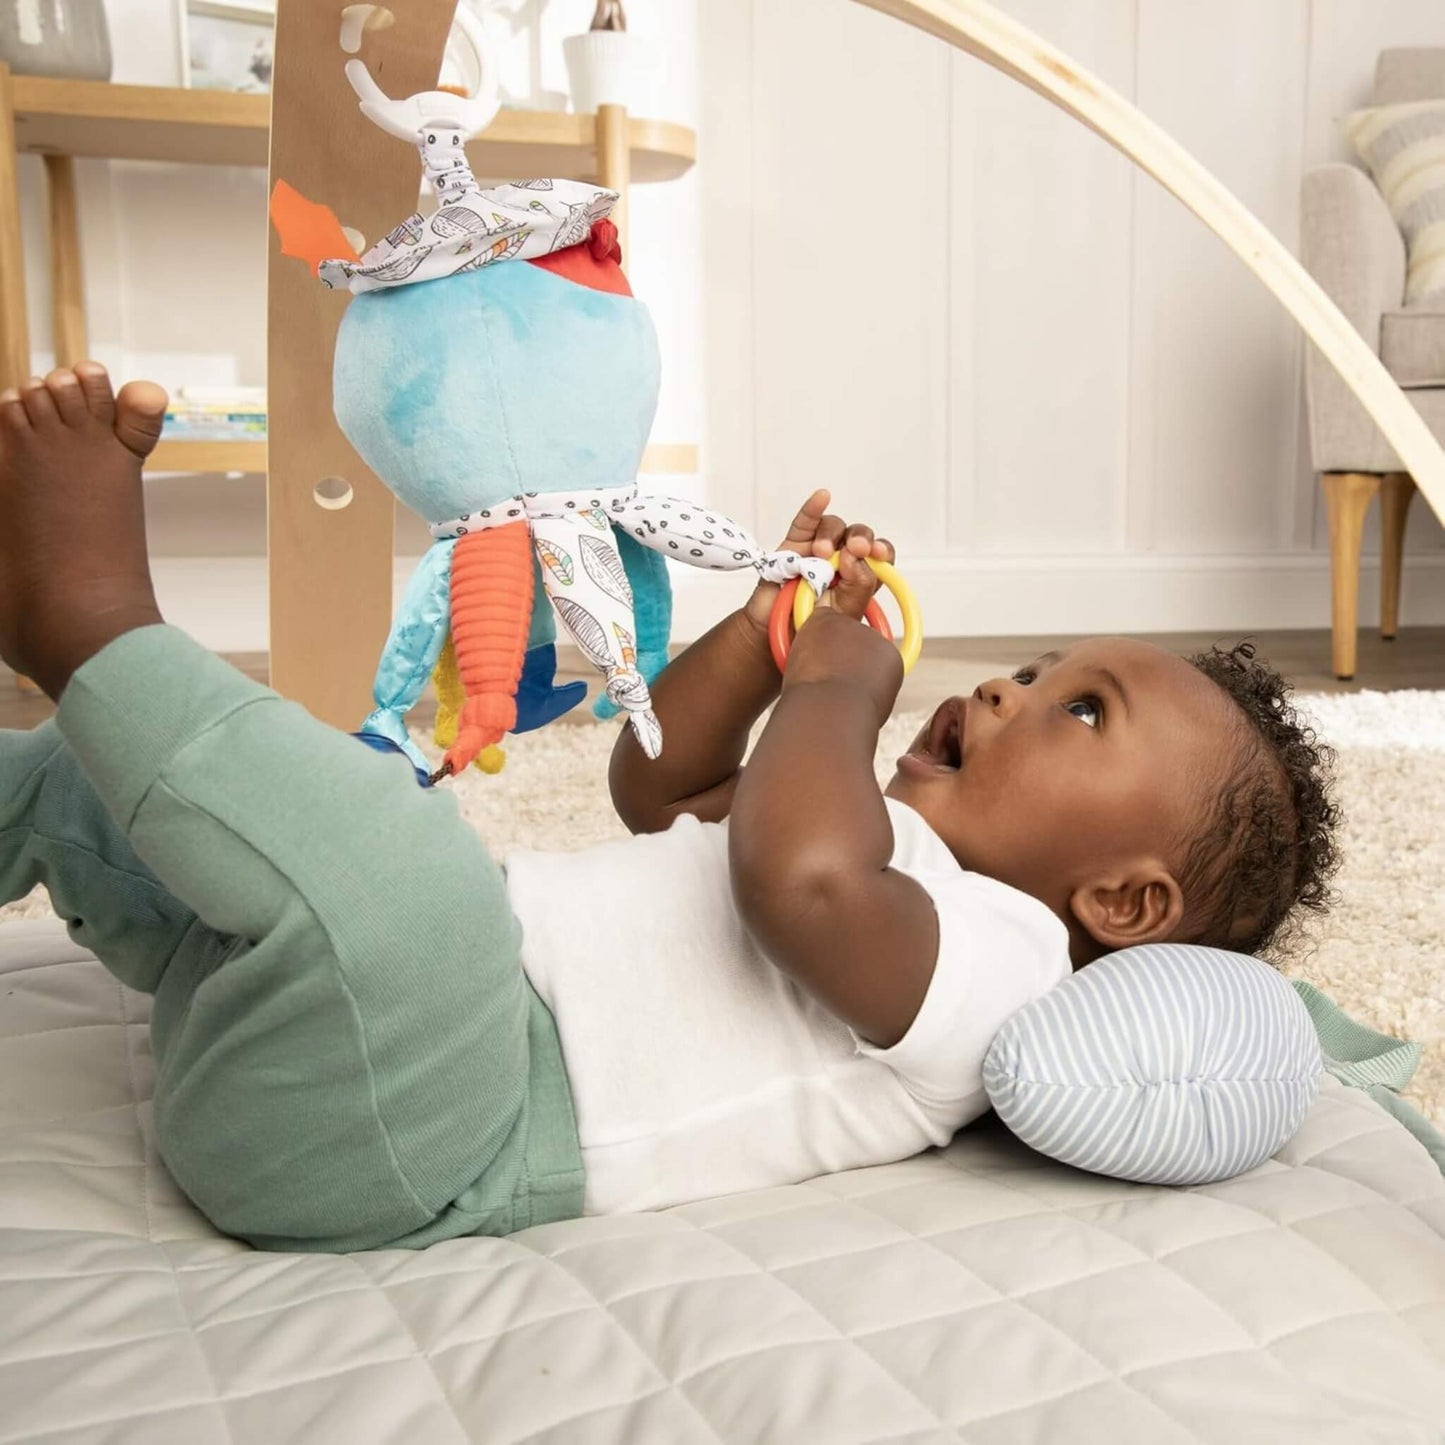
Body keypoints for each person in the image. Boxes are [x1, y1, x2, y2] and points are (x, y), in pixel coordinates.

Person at [0, 364, 1340, 1253]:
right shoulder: (871, 834)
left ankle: (93, 625)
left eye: (1079, 709)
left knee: (409, 864)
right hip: (295, 1033)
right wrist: (764, 640)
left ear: (1119, 898)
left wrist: (833, 688)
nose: (1002, 685)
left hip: (423, 1125)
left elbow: (790, 879)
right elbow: (654, 781)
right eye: (1042, 669)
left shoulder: (1001, 960)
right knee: (111, 793)